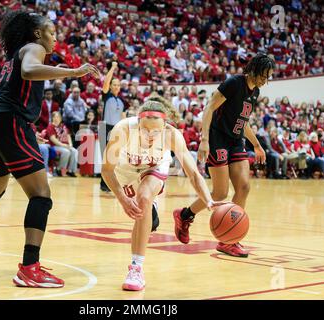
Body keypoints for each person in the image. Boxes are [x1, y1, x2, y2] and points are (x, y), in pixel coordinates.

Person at [0, 11, 100, 288]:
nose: (54, 38)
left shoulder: (14, 56)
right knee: (41, 196)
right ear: (37, 34)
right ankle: (29, 268)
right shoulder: (34, 48)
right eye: (51, 32)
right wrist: (72, 73)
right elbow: (29, 71)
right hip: (10, 121)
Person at [101, 94, 222, 291]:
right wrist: (122, 199)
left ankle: (136, 269)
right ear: (138, 123)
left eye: (155, 132)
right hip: (125, 172)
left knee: (144, 199)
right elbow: (106, 170)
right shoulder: (122, 129)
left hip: (154, 167)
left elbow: (193, 173)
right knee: (148, 217)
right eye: (145, 130)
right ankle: (151, 212)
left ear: (164, 127)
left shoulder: (172, 135)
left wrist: (207, 199)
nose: (150, 135)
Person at [173, 53, 275, 258]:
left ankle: (229, 240)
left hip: (236, 141)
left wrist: (257, 145)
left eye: (268, 76)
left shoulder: (254, 92)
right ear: (254, 70)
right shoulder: (234, 83)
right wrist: (204, 140)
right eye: (264, 75)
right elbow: (209, 107)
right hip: (218, 137)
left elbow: (242, 121)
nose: (266, 80)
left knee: (244, 187)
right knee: (220, 193)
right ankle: (184, 215)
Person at [99, 61, 125, 192]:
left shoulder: (122, 100)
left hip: (117, 129)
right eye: (114, 84)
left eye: (118, 85)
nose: (116, 86)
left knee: (115, 158)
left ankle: (112, 184)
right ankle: (103, 184)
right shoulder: (106, 96)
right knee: (106, 157)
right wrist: (113, 67)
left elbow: (124, 118)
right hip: (105, 128)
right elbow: (105, 83)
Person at [46, 111, 78, 177]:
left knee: (75, 151)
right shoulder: (50, 127)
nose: (56, 118)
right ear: (52, 118)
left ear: (60, 118)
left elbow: (68, 135)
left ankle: (70, 171)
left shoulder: (63, 126)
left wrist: (70, 144)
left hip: (65, 145)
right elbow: (53, 139)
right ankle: (59, 169)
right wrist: (64, 145)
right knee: (66, 152)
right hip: (54, 146)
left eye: (58, 117)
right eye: (55, 117)